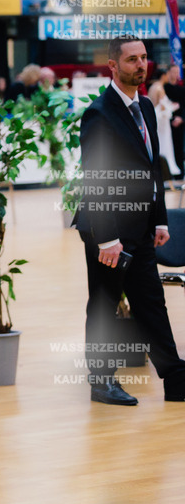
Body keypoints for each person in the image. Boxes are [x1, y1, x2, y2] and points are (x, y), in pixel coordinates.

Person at [74, 35, 185, 405]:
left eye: (144, 59)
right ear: (113, 65)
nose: (141, 66)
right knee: (104, 304)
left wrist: (160, 219)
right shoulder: (98, 114)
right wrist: (106, 239)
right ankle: (101, 381)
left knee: (151, 302)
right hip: (108, 232)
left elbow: (152, 167)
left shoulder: (147, 108)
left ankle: (175, 378)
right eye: (132, 60)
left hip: (141, 226)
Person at [149, 69, 182, 177]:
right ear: (163, 76)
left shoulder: (152, 87)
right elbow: (163, 107)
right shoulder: (160, 88)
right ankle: (167, 169)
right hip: (163, 121)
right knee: (165, 144)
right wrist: (173, 107)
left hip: (156, 120)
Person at [162, 63, 185, 173]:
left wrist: (181, 118)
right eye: (173, 72)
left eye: (177, 72)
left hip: (179, 122)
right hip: (165, 121)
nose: (175, 74)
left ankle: (180, 171)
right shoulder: (163, 88)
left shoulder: (181, 89)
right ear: (168, 73)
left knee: (179, 147)